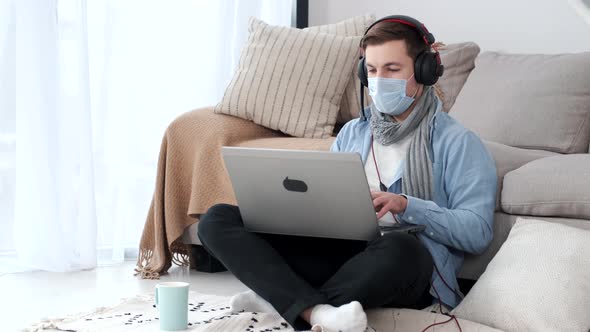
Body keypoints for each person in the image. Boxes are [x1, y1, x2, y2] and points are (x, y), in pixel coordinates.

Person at [197, 15, 497, 332]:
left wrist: (407, 205)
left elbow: (477, 232)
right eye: (372, 70)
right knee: (217, 218)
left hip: (401, 266)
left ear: (423, 70)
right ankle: (317, 314)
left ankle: (283, 301)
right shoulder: (354, 132)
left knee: (403, 249)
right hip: (342, 255)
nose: (380, 80)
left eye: (392, 69)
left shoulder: (458, 143)